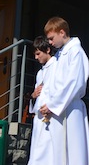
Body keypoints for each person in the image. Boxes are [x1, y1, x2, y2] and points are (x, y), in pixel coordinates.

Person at [39, 17, 89, 165]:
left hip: (69, 108)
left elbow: (73, 83)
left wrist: (52, 105)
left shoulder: (75, 52)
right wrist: (47, 103)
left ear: (62, 32)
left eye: (51, 38)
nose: (50, 43)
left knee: (72, 150)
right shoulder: (59, 55)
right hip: (58, 108)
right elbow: (52, 83)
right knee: (58, 151)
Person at [28, 37, 57, 165]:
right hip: (39, 116)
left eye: (38, 53)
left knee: (48, 150)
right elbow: (37, 93)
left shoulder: (57, 66)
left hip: (52, 114)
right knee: (37, 149)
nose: (36, 57)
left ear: (48, 50)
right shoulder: (40, 72)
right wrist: (34, 95)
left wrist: (51, 105)